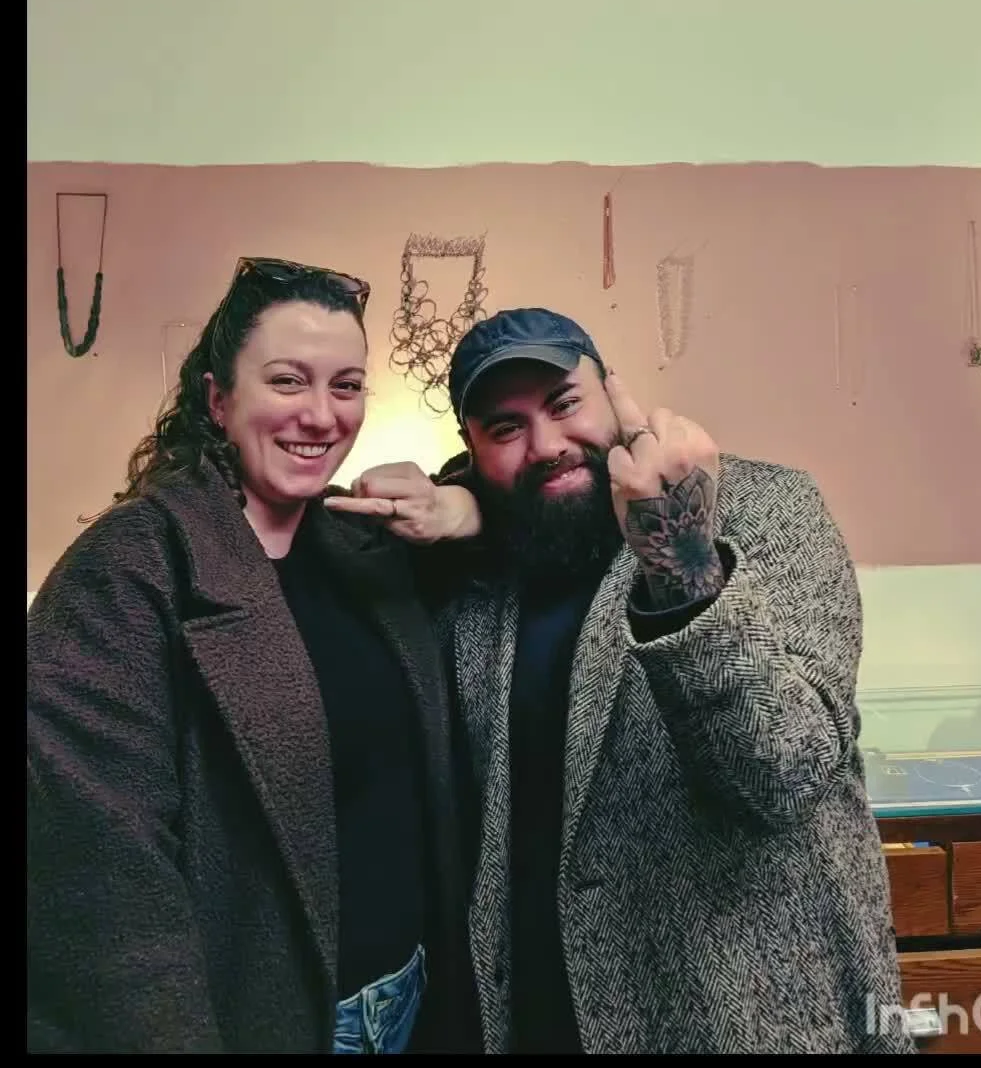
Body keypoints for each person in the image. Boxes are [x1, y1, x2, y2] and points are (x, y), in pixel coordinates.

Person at [339, 306, 917, 1055]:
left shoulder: (766, 509)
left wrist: (681, 557)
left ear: (614, 392)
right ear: (473, 449)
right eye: (506, 428)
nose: (547, 445)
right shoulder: (485, 563)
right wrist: (459, 501)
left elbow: (781, 775)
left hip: (743, 1020)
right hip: (540, 1021)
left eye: (564, 403)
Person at [26, 256, 483, 1055]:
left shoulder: (359, 544)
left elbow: (529, 524)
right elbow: (101, 885)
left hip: (408, 1000)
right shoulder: (128, 570)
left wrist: (463, 503)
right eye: (287, 380)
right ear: (218, 398)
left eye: (346, 386)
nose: (321, 415)